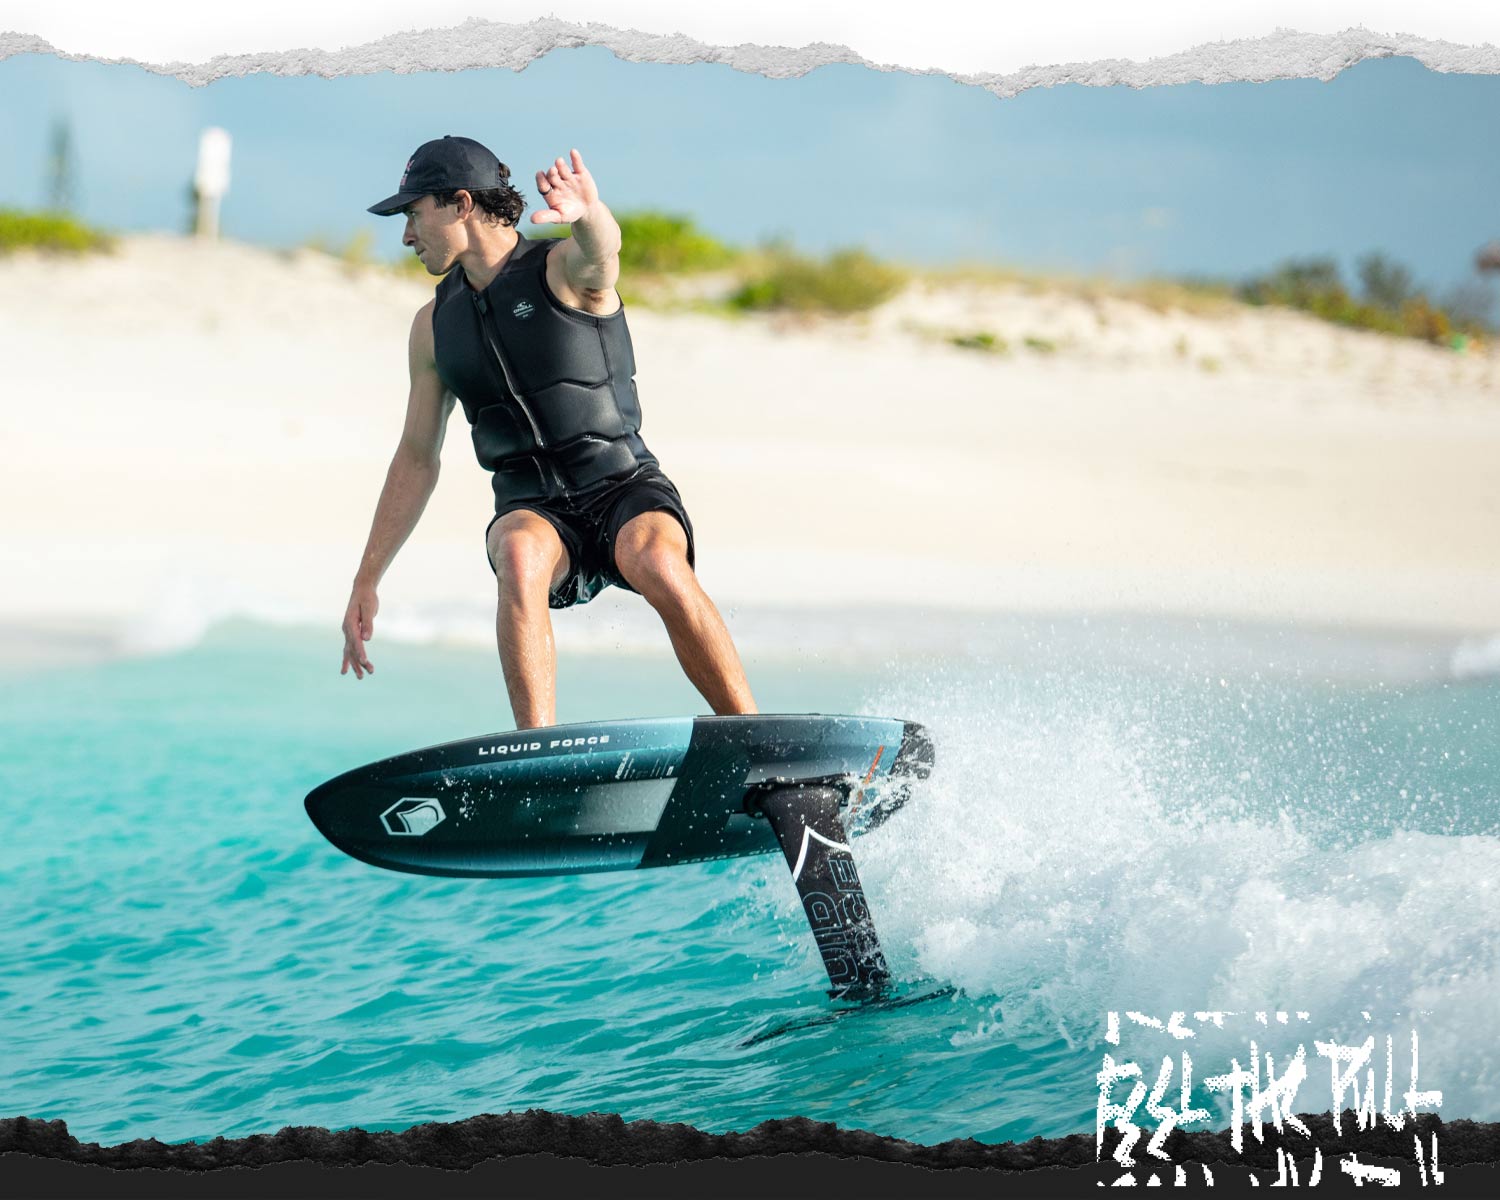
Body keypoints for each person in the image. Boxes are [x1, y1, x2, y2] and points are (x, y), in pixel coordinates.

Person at [340, 135, 757, 729]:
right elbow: (416, 457)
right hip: (534, 510)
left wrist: (590, 215)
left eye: (414, 213)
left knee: (654, 559)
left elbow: (604, 253)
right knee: (517, 552)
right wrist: (368, 576)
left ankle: (752, 735)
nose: (407, 235)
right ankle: (539, 752)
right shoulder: (432, 327)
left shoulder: (561, 269)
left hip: (623, 486)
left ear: (461, 204)